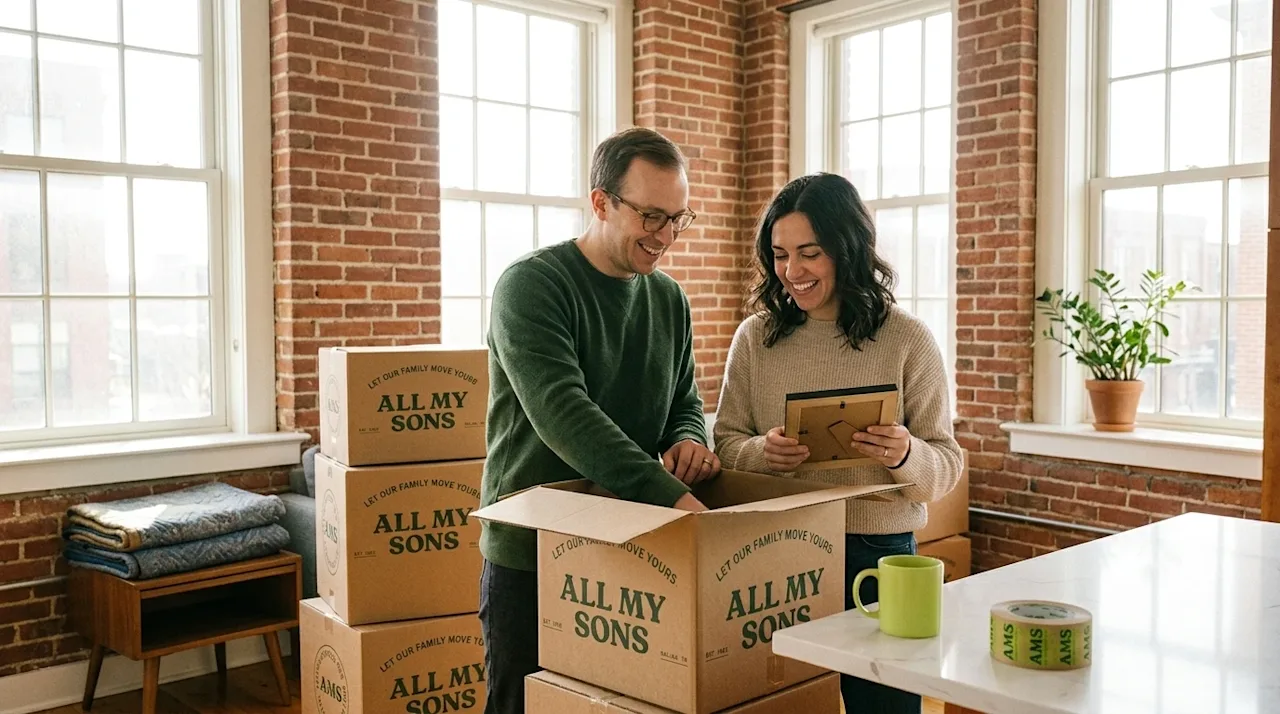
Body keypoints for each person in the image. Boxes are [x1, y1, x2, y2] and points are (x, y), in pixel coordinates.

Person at [477, 127, 721, 714]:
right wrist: (671, 496)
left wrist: (689, 436)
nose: (665, 237)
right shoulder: (532, 285)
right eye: (651, 216)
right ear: (600, 202)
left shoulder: (668, 299)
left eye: (678, 220)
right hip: (534, 548)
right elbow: (565, 413)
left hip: (630, 540)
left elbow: (684, 398)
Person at [712, 172, 962, 713]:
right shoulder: (754, 340)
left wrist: (903, 454)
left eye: (810, 253)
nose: (792, 272)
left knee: (884, 708)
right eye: (779, 255)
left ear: (847, 251)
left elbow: (945, 464)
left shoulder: (907, 339)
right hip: (780, 550)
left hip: (879, 554)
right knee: (781, 703)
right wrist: (762, 453)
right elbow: (726, 441)